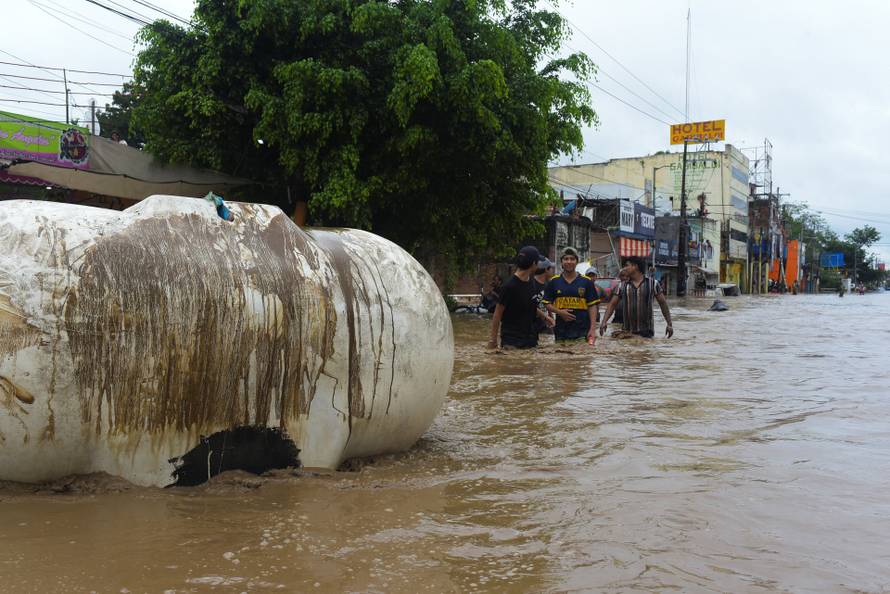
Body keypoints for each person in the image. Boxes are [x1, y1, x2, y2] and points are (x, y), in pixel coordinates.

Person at [488, 246, 554, 349]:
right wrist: (493, 341)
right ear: (534, 264)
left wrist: (545, 317)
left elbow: (530, 305)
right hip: (512, 341)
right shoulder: (509, 286)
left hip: (531, 339)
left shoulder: (531, 281)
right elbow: (497, 314)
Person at [600, 256, 674, 339]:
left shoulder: (653, 283)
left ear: (635, 266)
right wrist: (604, 322)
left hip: (646, 334)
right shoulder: (622, 286)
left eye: (627, 265)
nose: (624, 269)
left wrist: (669, 324)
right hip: (627, 333)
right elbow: (612, 304)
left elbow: (663, 303)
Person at [542, 247, 599, 343]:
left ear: (577, 262)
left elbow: (592, 306)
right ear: (561, 262)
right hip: (561, 331)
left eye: (572, 259)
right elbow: (547, 303)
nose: (569, 262)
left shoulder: (586, 281)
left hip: (582, 331)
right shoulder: (554, 281)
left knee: (580, 357)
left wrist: (593, 329)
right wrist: (560, 312)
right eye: (566, 259)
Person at [533, 258, 555, 334]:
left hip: (545, 324)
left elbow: (547, 303)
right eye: (551, 268)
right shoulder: (531, 284)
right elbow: (530, 305)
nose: (553, 270)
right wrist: (546, 318)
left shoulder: (547, 285)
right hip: (533, 324)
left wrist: (552, 319)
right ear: (546, 269)